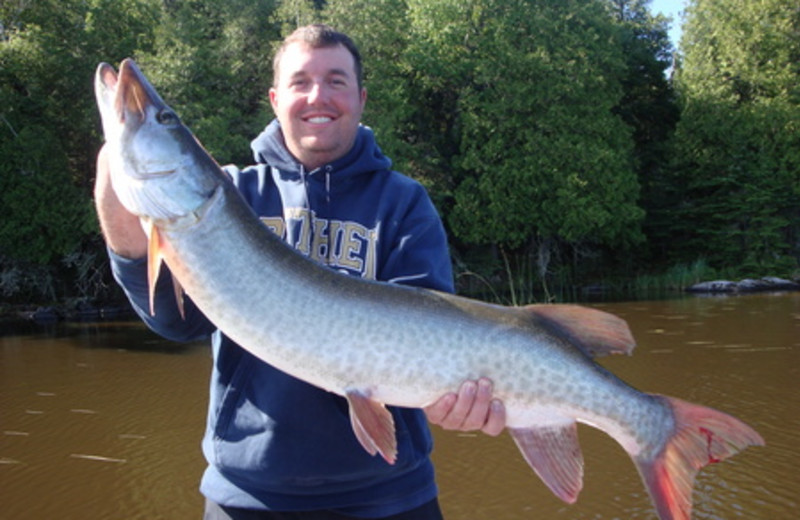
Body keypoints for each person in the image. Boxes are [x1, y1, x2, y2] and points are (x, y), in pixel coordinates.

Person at [95, 24, 505, 519]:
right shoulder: (234, 193)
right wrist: (113, 180)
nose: (318, 96)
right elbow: (175, 322)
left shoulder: (404, 202)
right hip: (247, 498)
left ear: (360, 98)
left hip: (391, 497)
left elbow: (427, 337)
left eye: (336, 81)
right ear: (274, 98)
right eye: (300, 82)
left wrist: (453, 398)